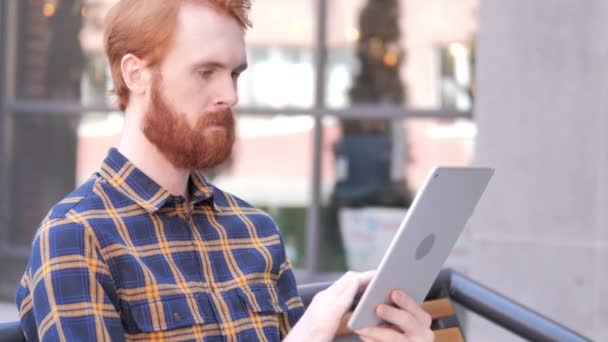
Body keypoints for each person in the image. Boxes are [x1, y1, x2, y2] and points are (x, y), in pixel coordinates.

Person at [15, 1, 433, 341]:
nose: (230, 95)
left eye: (234, 74)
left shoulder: (254, 230)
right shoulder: (76, 238)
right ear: (135, 74)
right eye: (205, 72)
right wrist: (311, 331)